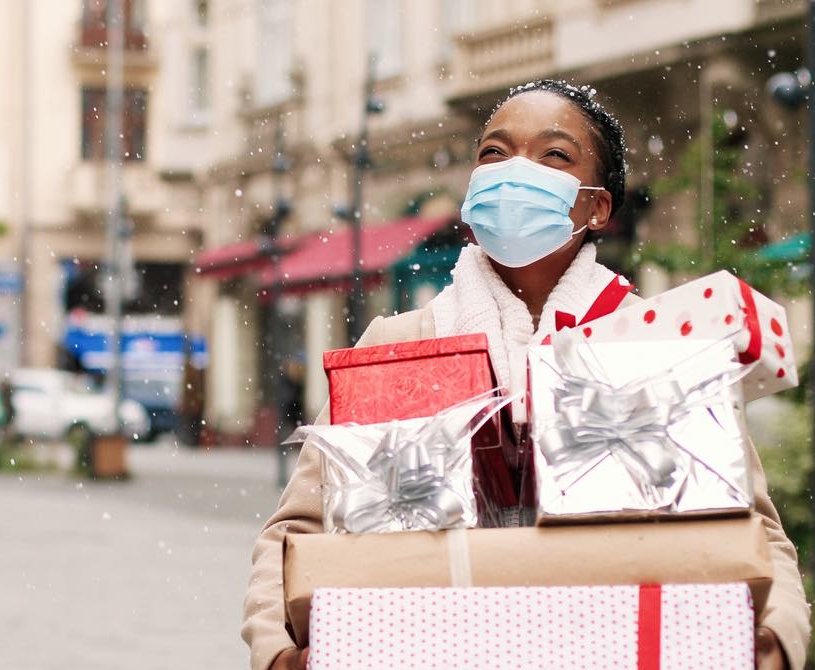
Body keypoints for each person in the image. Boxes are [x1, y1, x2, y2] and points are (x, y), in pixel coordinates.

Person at [241, 80, 811, 670]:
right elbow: (295, 530)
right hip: (427, 651)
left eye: (554, 155)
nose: (515, 171)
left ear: (598, 206)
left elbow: (756, 529)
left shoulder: (655, 346)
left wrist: (777, 642)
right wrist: (278, 652)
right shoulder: (403, 341)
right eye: (494, 152)